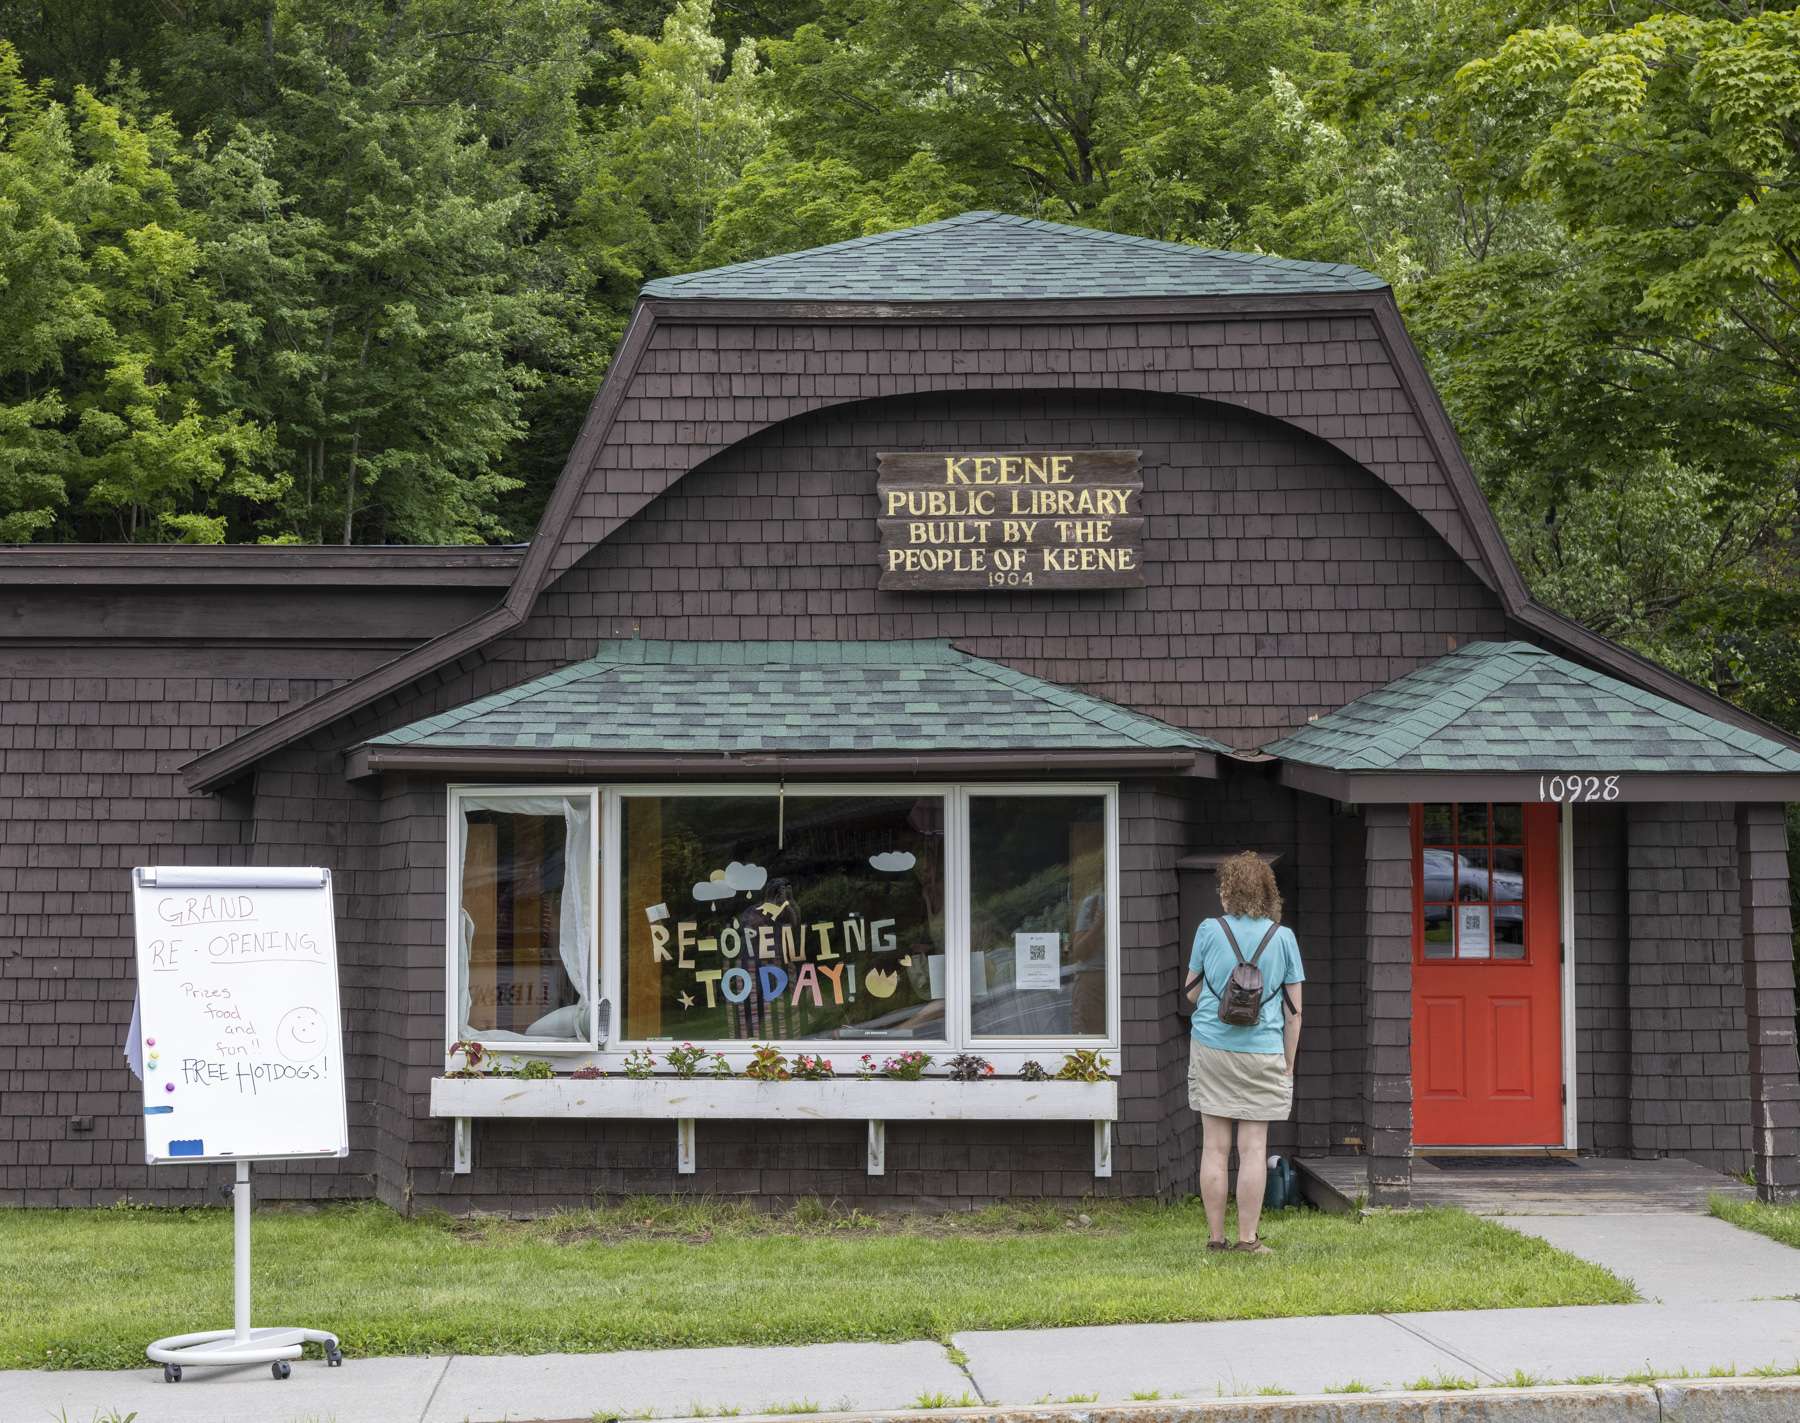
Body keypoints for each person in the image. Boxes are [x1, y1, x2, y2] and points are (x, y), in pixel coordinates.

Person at [1184, 851, 1304, 1254]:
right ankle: (1248, 1241)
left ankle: (1216, 1240)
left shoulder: (1208, 930)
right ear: (1267, 894)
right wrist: (1287, 1064)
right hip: (1263, 1051)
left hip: (1212, 1047)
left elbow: (1192, 992)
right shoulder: (1283, 938)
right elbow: (1294, 1013)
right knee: (1254, 1148)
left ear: (1228, 891)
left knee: (1214, 1148)